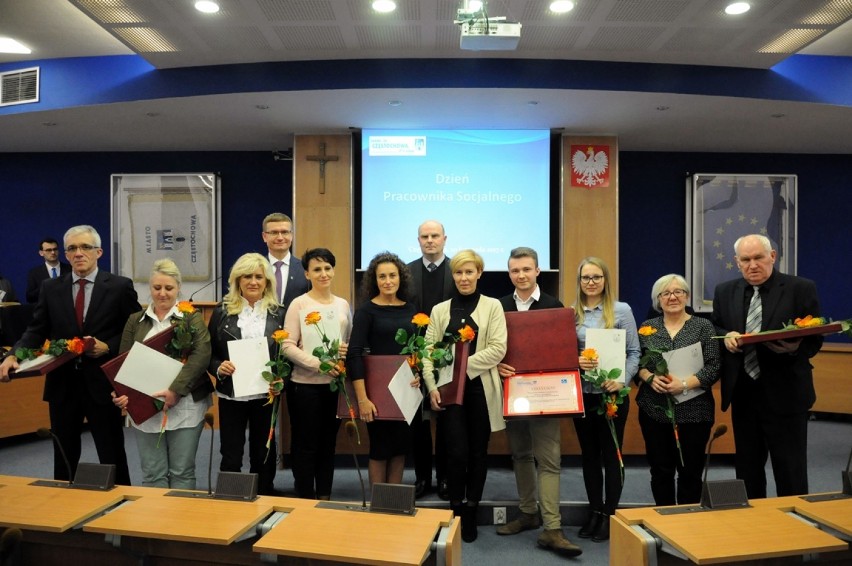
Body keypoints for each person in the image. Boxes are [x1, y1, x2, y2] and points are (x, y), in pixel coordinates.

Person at [1, 225, 139, 485]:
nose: (79, 253)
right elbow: (36, 330)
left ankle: (122, 510)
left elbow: (134, 332)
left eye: (85, 247)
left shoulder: (120, 287)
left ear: (98, 252)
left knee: (111, 452)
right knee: (64, 453)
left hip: (103, 384)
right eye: (72, 248)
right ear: (65, 255)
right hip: (63, 384)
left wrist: (108, 345)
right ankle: (62, 513)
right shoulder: (50, 288)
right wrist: (13, 355)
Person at [712, 234, 822, 498]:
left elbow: (815, 338)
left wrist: (794, 347)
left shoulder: (800, 288)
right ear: (737, 262)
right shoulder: (725, 291)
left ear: (772, 256)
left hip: (786, 393)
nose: (753, 265)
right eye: (746, 260)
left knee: (790, 469)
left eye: (758, 258)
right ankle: (753, 529)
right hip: (744, 393)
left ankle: (795, 528)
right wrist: (725, 335)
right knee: (747, 468)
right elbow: (714, 326)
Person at [495, 247, 582, 557]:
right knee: (519, 455)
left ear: (537, 271)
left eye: (526, 269)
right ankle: (528, 513)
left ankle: (553, 528)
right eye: (515, 270)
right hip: (514, 393)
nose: (521, 275)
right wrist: (498, 366)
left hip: (547, 396)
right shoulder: (499, 307)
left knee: (548, 460)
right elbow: (492, 348)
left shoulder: (554, 306)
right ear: (509, 274)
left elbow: (565, 350)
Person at [422, 249, 507, 543]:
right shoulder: (439, 310)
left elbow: (498, 349)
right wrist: (431, 385)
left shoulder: (493, 306)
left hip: (480, 388)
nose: (464, 277)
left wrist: (459, 366)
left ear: (479, 274)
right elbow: (428, 353)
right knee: (455, 452)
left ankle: (472, 509)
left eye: (469, 272)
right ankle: (456, 509)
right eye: (458, 272)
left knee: (478, 452)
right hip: (447, 391)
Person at [112, 258, 212, 489]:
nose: (163, 293)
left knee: (182, 472)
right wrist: (121, 393)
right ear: (150, 288)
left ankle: (180, 525)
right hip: (145, 408)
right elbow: (123, 362)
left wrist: (175, 390)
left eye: (169, 288)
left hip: (185, 405)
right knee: (153, 474)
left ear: (178, 289)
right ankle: (156, 525)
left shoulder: (191, 317)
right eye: (157, 288)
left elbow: (201, 356)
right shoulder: (135, 321)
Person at [636, 274, 720, 505]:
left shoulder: (703, 326)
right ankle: (663, 521)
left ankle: (687, 524)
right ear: (658, 299)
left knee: (690, 472)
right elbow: (636, 363)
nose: (672, 297)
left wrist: (683, 384)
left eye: (678, 292)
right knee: (660, 471)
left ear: (687, 296)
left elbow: (714, 366)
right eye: (665, 293)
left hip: (695, 412)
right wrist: (649, 377)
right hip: (654, 410)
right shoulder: (646, 328)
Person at [572, 256, 639, 542]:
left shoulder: (621, 310)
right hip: (583, 397)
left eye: (596, 277)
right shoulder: (571, 313)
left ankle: (610, 514)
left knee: (612, 456)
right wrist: (576, 361)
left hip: (612, 396)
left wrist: (622, 378)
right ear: (579, 282)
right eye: (586, 278)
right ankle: (594, 510)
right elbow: (564, 354)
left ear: (605, 280)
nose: (591, 282)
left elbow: (634, 352)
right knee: (588, 457)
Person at [207, 253, 285, 495]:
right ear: (237, 280)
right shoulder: (222, 312)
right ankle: (230, 499)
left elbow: (288, 354)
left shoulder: (279, 313)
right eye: (247, 276)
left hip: (266, 395)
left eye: (258, 276)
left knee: (264, 453)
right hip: (232, 394)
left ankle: (265, 496)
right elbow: (207, 353)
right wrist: (219, 367)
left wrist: (282, 377)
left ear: (267, 281)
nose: (253, 281)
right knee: (231, 451)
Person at [282, 247, 352, 500]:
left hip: (334, 387)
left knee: (328, 444)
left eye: (327, 268)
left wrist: (344, 349)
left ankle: (324, 495)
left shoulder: (343, 304)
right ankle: (304, 496)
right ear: (307, 274)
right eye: (317, 269)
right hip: (304, 386)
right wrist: (318, 364)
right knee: (305, 444)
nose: (323, 274)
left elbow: (348, 340)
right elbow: (287, 345)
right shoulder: (299, 304)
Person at [346, 252, 420, 487]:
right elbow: (354, 354)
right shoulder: (366, 311)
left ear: (401, 278)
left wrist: (419, 373)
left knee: (400, 449)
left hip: (406, 391)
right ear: (374, 280)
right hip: (376, 394)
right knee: (380, 449)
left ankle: (393, 503)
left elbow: (419, 351)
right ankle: (379, 507)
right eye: (382, 276)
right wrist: (362, 399)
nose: (388, 281)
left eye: (392, 275)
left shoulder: (411, 310)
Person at [407, 219, 454, 499]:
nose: (430, 240)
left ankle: (445, 477)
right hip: (414, 358)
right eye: (424, 236)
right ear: (418, 240)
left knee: (446, 423)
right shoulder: (407, 272)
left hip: (448, 359)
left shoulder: (456, 270)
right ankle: (422, 477)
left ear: (445, 239)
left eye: (435, 236)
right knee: (419, 424)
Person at [262, 212, 310, 312]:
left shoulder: (305, 268)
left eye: (284, 232)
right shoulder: (255, 268)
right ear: (264, 237)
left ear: (291, 235)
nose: (280, 238)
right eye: (274, 232)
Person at [26, 238, 71, 303]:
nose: (53, 252)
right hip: (45, 311)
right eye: (48, 250)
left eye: (55, 249)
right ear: (41, 253)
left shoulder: (70, 269)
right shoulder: (34, 273)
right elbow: (30, 298)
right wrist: (47, 286)